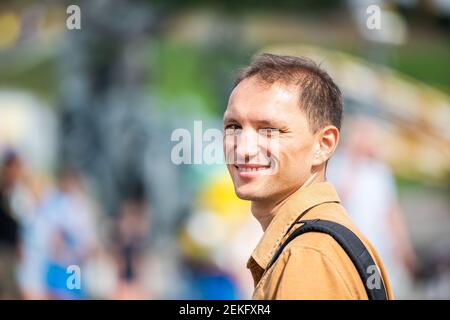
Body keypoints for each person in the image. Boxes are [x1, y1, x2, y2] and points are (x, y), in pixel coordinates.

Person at [222, 53, 394, 299]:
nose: (243, 148)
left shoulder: (309, 257)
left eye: (269, 130)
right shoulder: (319, 243)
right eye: (234, 127)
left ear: (323, 144)